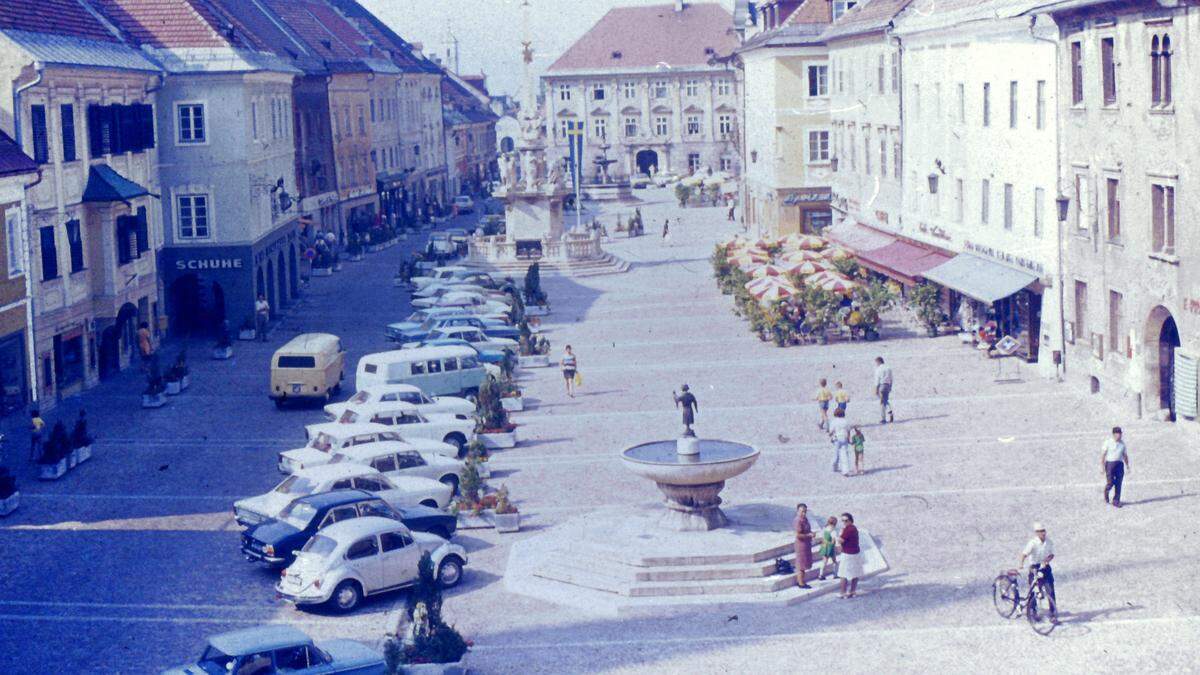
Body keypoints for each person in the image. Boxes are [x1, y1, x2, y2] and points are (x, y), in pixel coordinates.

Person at [1019, 522, 1058, 622]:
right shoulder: (1032, 543)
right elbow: (1024, 554)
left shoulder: (1049, 542)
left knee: (1050, 589)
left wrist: (1046, 561)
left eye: (1044, 531)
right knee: (1034, 590)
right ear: (1036, 533)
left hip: (1045, 567)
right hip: (1034, 567)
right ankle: (1033, 611)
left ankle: (1053, 613)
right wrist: (1021, 564)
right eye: (1040, 531)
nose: (1043, 533)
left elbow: (1052, 554)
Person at [1101, 426, 1130, 508]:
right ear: (1113, 434)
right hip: (1110, 464)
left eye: (1120, 434)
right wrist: (1102, 466)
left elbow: (1125, 455)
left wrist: (1127, 465)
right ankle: (1106, 492)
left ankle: (1116, 500)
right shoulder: (1108, 442)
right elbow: (1103, 455)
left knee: (1119, 482)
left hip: (1119, 464)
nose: (1119, 436)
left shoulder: (1122, 444)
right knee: (1110, 482)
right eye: (1117, 434)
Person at [837, 513, 864, 598]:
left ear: (850, 520)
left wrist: (837, 535)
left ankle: (843, 593)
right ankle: (853, 591)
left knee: (843, 574)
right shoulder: (854, 528)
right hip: (856, 553)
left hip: (848, 554)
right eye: (843, 521)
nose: (844, 522)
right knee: (855, 573)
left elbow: (841, 540)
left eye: (846, 520)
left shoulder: (848, 529)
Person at [792, 503, 814, 589]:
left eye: (805, 512)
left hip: (806, 543)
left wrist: (811, 533)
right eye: (802, 511)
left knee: (804, 563)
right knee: (801, 564)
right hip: (801, 544)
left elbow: (807, 530)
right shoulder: (798, 520)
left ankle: (802, 581)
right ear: (797, 511)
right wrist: (809, 535)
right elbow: (798, 535)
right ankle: (801, 583)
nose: (803, 513)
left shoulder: (805, 519)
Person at [828, 408, 851, 477]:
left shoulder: (834, 421)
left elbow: (831, 431)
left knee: (835, 454)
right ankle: (845, 471)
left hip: (837, 439)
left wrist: (830, 436)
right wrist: (848, 439)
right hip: (844, 438)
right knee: (844, 455)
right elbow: (848, 431)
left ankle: (834, 467)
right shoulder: (845, 421)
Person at [817, 516, 838, 580]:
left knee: (824, 561)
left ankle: (821, 575)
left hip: (824, 546)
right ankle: (835, 574)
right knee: (834, 561)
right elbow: (833, 541)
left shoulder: (825, 528)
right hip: (830, 547)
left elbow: (822, 537)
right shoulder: (833, 531)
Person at [874, 356, 894, 424]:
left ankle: (883, 419)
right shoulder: (889, 368)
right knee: (885, 400)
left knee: (882, 402)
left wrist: (876, 389)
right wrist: (890, 386)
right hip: (888, 385)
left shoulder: (878, 369)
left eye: (876, 362)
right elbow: (891, 378)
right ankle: (889, 410)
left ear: (879, 362)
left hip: (881, 385)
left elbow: (877, 380)